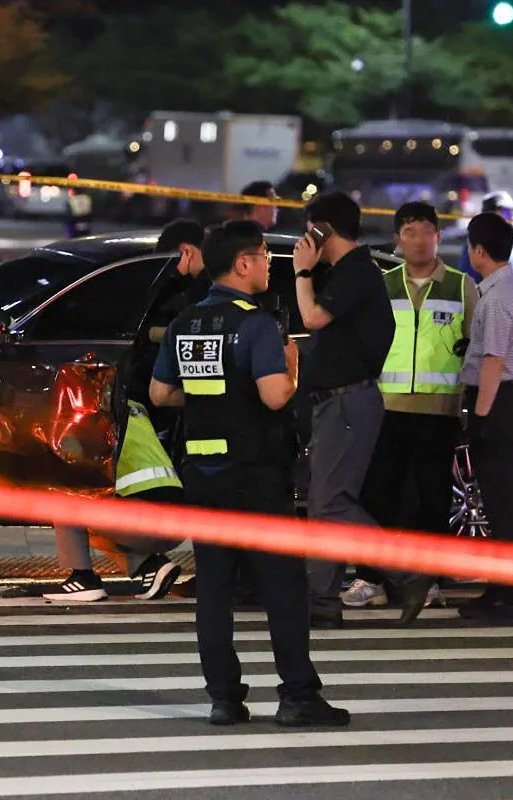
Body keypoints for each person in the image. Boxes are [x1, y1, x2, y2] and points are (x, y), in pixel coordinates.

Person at [150, 219, 349, 728]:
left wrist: (210, 389)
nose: (267, 263)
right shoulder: (256, 324)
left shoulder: (187, 322)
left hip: (204, 472)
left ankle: (224, 697)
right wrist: (293, 366)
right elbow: (274, 395)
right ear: (242, 263)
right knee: (281, 584)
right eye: (263, 255)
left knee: (214, 585)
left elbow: (160, 394)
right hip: (256, 474)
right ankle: (297, 696)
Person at [346, 202, 478, 622]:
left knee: (432, 501)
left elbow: (476, 349)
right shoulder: (383, 286)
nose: (418, 240)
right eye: (409, 231)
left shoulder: (461, 287)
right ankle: (372, 579)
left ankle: (430, 580)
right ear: (398, 239)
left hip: (438, 412)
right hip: (386, 408)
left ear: (438, 236)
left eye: (426, 231)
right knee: (376, 495)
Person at [291, 191, 396, 628]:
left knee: (331, 504)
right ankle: (322, 602)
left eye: (308, 230)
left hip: (347, 401)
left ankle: (408, 570)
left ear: (323, 230)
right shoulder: (347, 272)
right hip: (337, 402)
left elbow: (312, 318)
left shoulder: (356, 272)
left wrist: (301, 271)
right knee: (326, 504)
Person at [457, 212, 513, 623]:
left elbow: (493, 360)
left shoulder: (496, 298)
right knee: (506, 499)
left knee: (502, 501)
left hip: (499, 402)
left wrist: (482, 415)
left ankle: (508, 597)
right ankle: (504, 589)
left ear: (478, 250)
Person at [42, 399, 184, 602]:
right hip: (182, 521)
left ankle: (82, 580)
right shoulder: (135, 408)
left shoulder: (90, 417)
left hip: (148, 522)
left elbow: (74, 473)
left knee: (65, 494)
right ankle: (150, 567)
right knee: (88, 526)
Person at [459, 191, 513, 283]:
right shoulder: (474, 242)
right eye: (505, 211)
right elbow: (468, 279)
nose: (511, 216)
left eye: (510, 212)